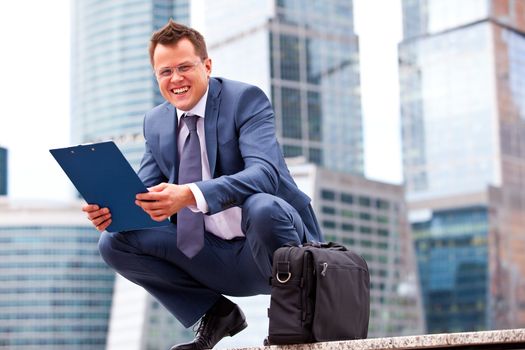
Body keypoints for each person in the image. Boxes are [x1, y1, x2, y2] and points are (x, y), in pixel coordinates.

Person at [83, 19, 322, 350]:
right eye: (165, 72)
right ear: (156, 78)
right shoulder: (156, 123)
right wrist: (112, 210)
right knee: (114, 240)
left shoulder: (245, 100)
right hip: (210, 256)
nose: (176, 78)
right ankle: (215, 314)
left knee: (263, 206)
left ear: (207, 66)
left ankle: (301, 315)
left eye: (184, 67)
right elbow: (144, 196)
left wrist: (190, 194)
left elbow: (265, 173)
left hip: (273, 250)